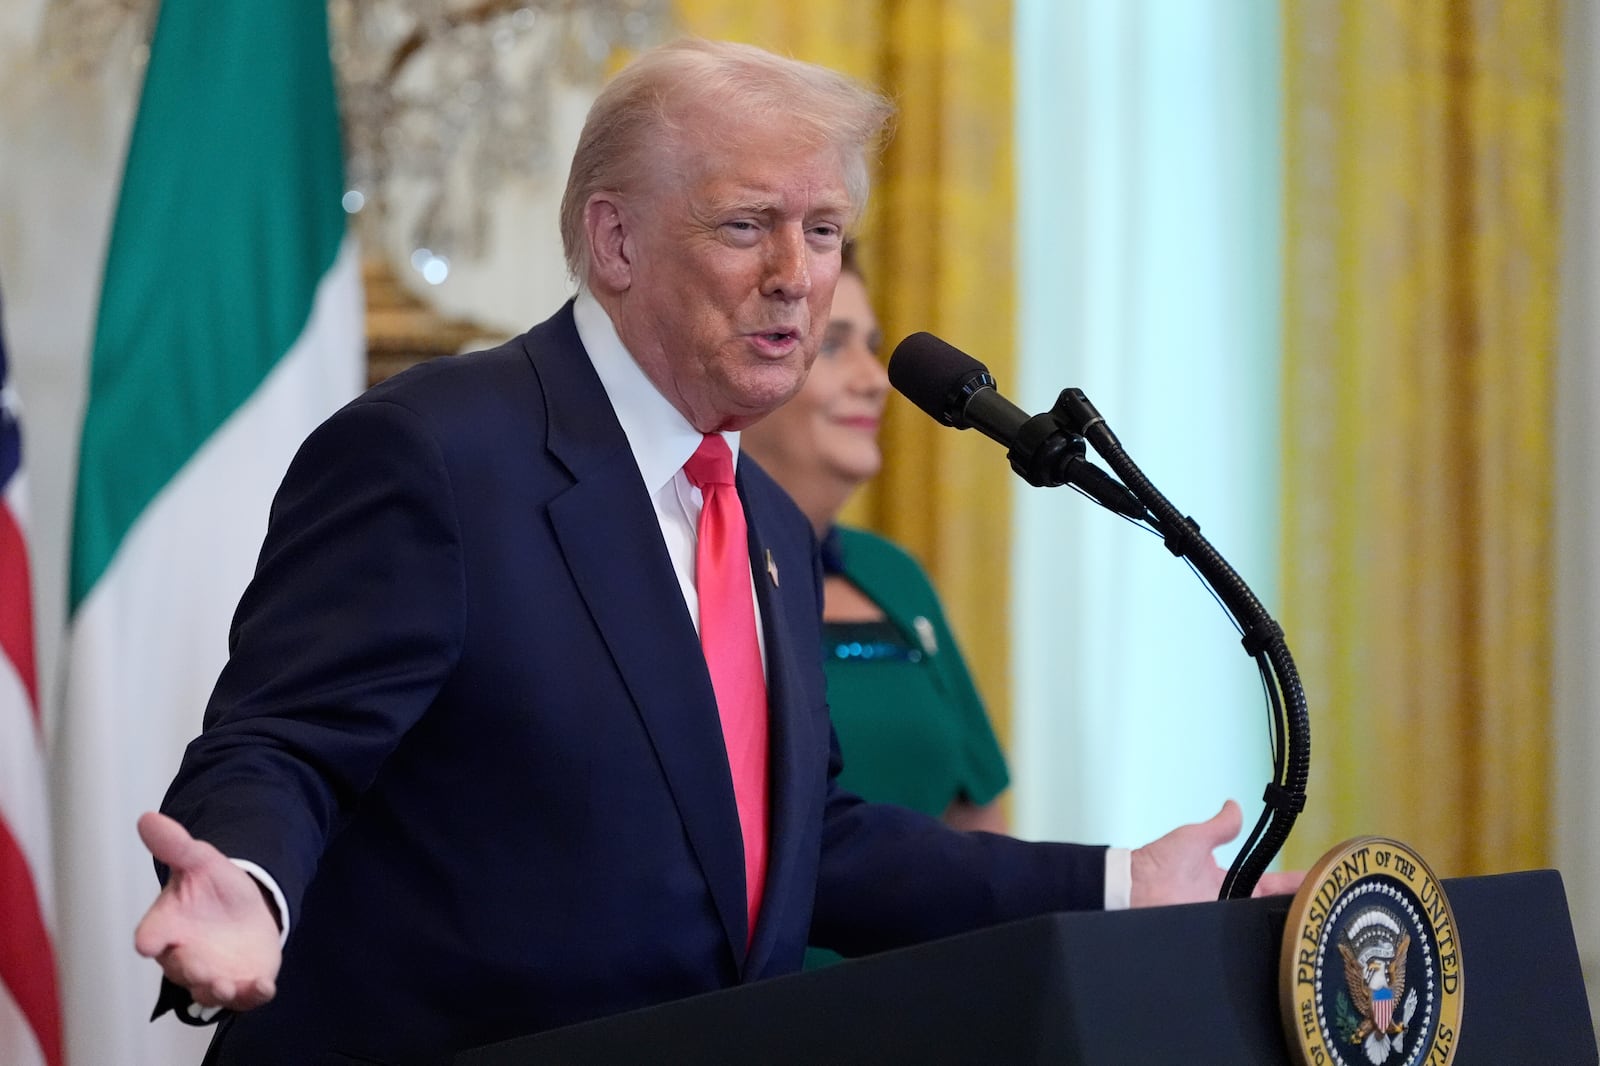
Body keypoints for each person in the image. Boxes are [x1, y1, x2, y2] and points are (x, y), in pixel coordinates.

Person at [133, 37, 1301, 1065]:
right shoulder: (439, 453)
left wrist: (1114, 885)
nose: (796, 272)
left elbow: (803, 841)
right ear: (616, 239)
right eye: (747, 224)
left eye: (825, 230)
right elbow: (284, 740)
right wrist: (248, 882)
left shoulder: (767, 523)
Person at [741, 245, 1008, 834]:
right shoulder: (687, 567)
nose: (875, 381)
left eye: (873, 346)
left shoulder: (892, 576)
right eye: (833, 346)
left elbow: (981, 824)